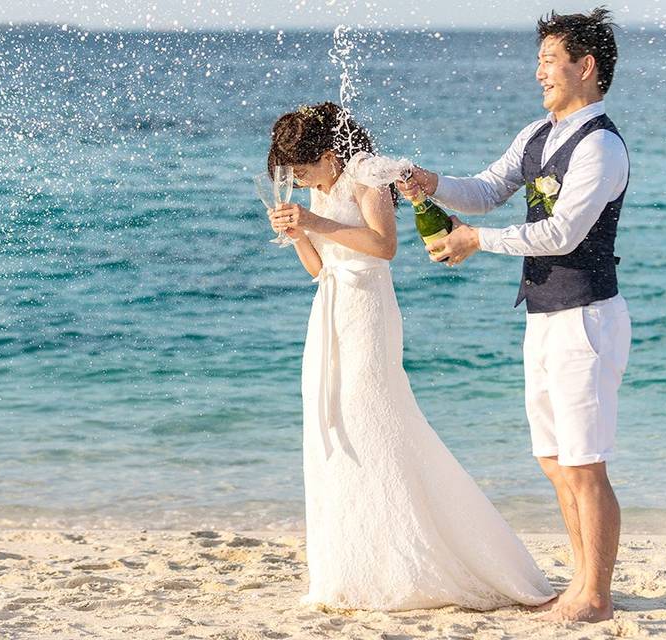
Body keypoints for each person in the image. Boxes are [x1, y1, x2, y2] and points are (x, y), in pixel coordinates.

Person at [265, 101, 555, 612]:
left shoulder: (366, 176)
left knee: (374, 421)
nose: (301, 181)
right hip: (329, 311)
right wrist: (297, 234)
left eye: (305, 170)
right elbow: (318, 269)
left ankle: (420, 557)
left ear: (331, 155)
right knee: (332, 427)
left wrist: (314, 220)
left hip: (368, 313)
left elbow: (384, 246)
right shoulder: (316, 190)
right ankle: (354, 564)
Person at [398, 8, 631, 623]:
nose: (538, 74)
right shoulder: (536, 135)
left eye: (549, 61)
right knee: (554, 460)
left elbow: (559, 233)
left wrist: (476, 241)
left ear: (585, 67)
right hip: (544, 315)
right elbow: (486, 187)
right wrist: (431, 182)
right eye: (538, 61)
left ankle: (596, 597)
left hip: (587, 317)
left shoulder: (601, 145)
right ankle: (582, 583)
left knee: (585, 464)